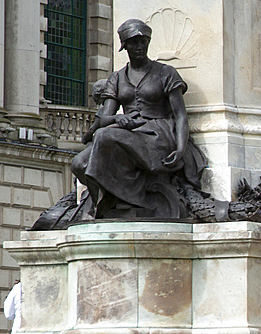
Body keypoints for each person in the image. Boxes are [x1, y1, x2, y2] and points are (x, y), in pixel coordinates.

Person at [70, 18, 205, 219]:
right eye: (134, 42)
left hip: (158, 133)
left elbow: (180, 116)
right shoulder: (117, 78)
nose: (140, 47)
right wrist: (118, 119)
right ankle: (114, 202)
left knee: (105, 137)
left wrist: (180, 148)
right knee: (79, 163)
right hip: (126, 132)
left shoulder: (165, 72)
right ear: (124, 46)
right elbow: (105, 119)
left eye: (144, 42)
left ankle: (133, 201)